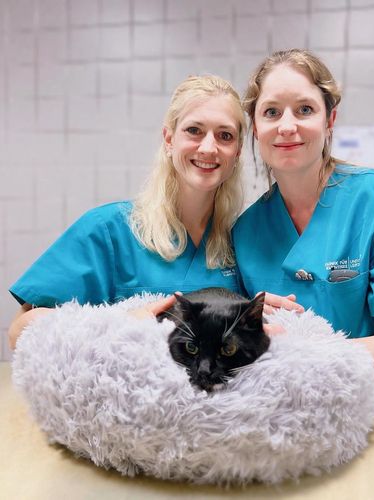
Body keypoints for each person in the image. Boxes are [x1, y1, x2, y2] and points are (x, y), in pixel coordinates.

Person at [8, 74, 300, 350]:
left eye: (225, 135)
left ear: (236, 152)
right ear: (169, 138)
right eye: (194, 131)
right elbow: (19, 331)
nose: (209, 147)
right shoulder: (108, 231)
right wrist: (117, 323)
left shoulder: (239, 242)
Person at [233, 49, 374, 403]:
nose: (287, 126)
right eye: (272, 112)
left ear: (330, 119)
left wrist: (302, 353)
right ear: (256, 127)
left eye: (305, 109)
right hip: (284, 420)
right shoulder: (245, 232)